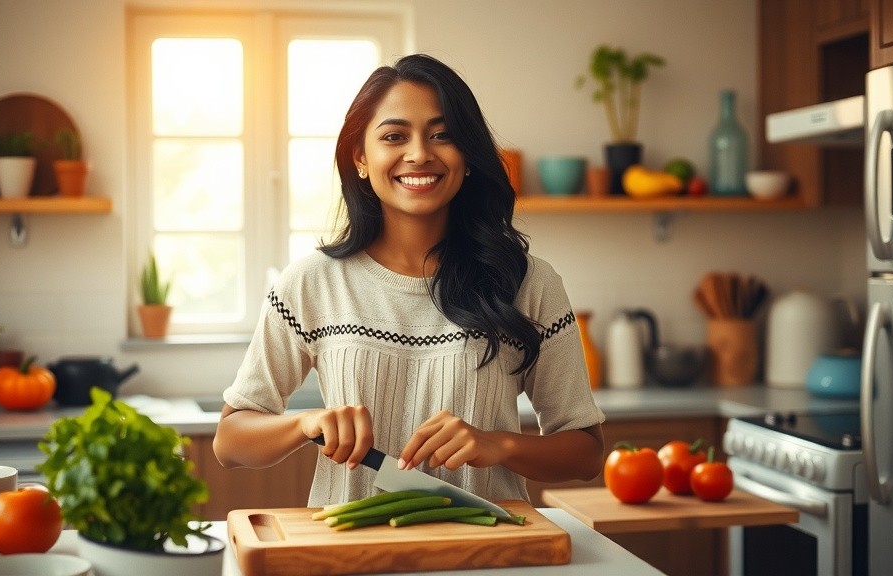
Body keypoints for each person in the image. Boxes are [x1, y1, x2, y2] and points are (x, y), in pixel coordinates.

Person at [213, 53, 605, 506]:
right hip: (349, 546)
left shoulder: (529, 282)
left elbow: (586, 453)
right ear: (361, 157)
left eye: (443, 135)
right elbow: (229, 441)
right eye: (394, 136)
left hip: (486, 546)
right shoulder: (311, 282)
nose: (419, 154)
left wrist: (500, 444)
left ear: (468, 156)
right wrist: (305, 424)